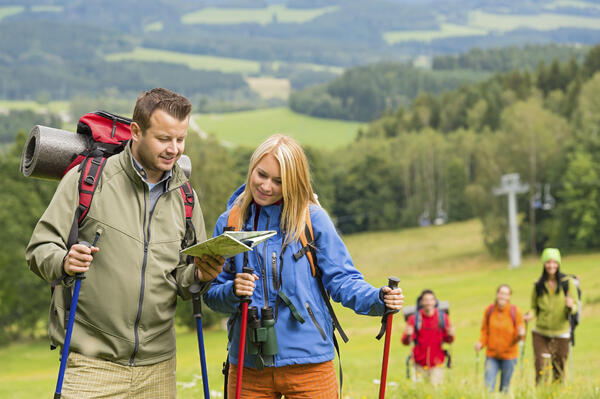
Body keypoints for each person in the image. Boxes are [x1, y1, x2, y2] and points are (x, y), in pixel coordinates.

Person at [26, 88, 224, 398]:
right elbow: (40, 248)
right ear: (136, 131)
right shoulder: (86, 180)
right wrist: (64, 261)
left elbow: (182, 280)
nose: (174, 150)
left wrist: (200, 276)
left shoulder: (186, 197)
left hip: (159, 368)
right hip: (91, 364)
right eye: (163, 139)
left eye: (180, 139)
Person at [203, 134, 404, 398]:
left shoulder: (313, 220)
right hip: (248, 364)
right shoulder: (230, 222)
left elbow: (342, 280)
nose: (266, 186)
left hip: (310, 363)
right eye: (261, 175)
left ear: (293, 182)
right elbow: (211, 293)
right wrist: (233, 292)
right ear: (252, 168)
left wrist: (378, 298)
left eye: (278, 181)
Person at [523, 248, 578, 384]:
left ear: (558, 264)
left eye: (554, 262)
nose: (551, 265)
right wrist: (530, 315)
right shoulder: (538, 284)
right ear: (544, 264)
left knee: (558, 370)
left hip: (561, 333)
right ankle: (540, 394)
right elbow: (534, 307)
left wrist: (571, 306)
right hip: (541, 333)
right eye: (548, 262)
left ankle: (556, 395)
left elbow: (575, 307)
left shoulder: (567, 282)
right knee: (541, 368)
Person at [475, 284, 525, 393]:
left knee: (505, 388)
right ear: (497, 294)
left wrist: (521, 333)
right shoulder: (489, 310)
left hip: (509, 356)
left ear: (509, 297)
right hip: (491, 356)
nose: (503, 296)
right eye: (501, 293)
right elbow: (485, 331)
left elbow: (520, 335)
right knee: (488, 387)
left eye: (506, 294)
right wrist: (480, 343)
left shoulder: (515, 312)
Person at [401, 289, 454, 386]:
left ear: (435, 302)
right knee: (421, 392)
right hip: (419, 363)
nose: (428, 302)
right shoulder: (414, 319)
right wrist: (408, 334)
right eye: (426, 300)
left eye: (431, 300)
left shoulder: (443, 317)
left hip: (437, 363)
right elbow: (405, 342)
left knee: (435, 391)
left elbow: (449, 340)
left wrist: (451, 334)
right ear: (421, 302)